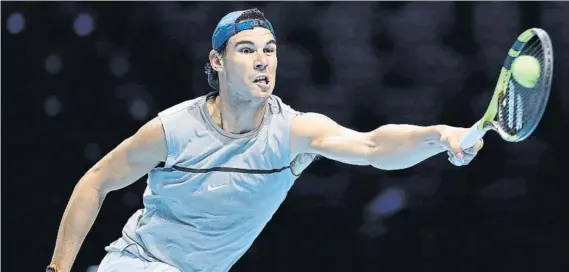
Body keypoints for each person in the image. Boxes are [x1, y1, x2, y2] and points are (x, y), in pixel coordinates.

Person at [47, 8, 484, 272]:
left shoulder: (292, 132)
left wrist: (439, 136)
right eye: (247, 49)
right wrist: (58, 268)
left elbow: (373, 147)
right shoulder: (175, 129)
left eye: (270, 49)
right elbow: (96, 180)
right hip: (139, 263)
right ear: (217, 60)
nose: (262, 61)